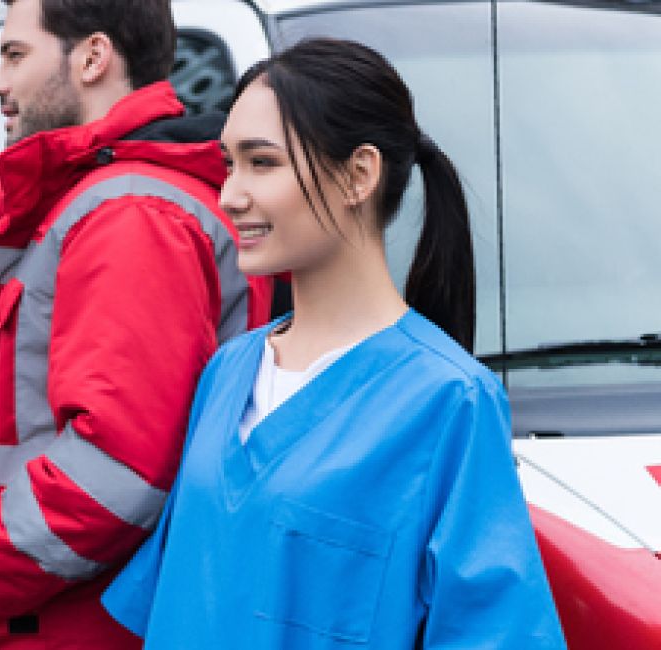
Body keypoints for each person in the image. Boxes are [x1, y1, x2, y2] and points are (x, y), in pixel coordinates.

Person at [101, 38, 567, 648]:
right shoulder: (229, 371)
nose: (230, 195)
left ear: (358, 175)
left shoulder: (450, 400)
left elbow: (494, 633)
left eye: (262, 162)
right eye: (229, 164)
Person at [0, 0, 273, 647]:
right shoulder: (110, 194)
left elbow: (115, 471)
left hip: (54, 623)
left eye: (15, 56)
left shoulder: (132, 217)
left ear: (92, 58)